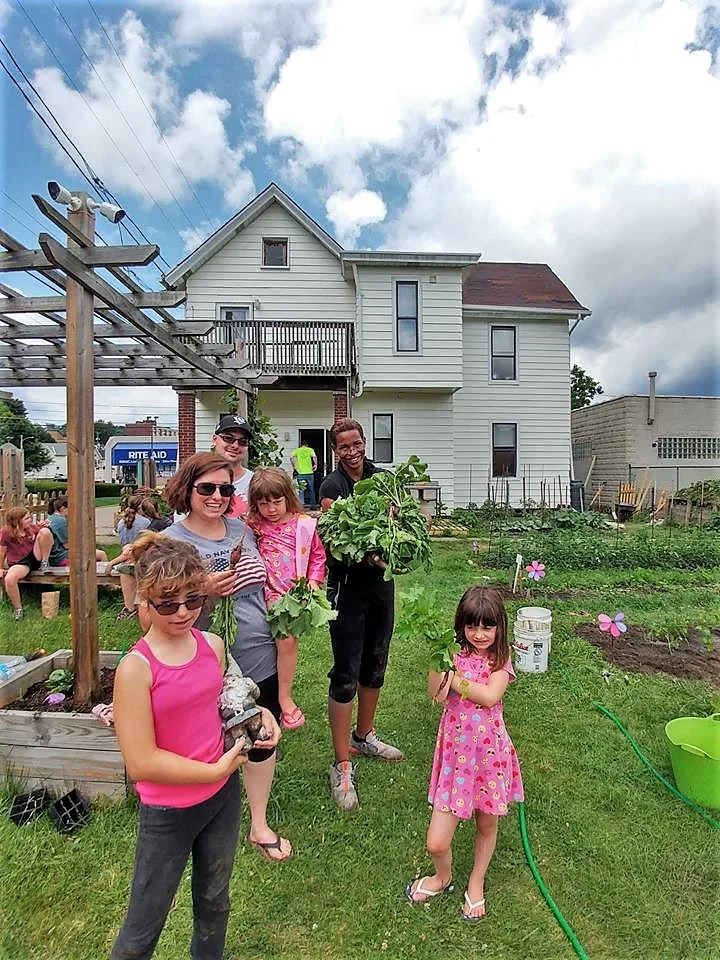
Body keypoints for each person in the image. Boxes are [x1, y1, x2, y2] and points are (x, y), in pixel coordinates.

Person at [110, 532, 281, 959]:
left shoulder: (212, 646)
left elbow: (227, 703)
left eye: (194, 599)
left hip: (221, 800)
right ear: (145, 600)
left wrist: (262, 716)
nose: (184, 612)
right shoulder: (135, 669)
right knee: (143, 926)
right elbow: (141, 761)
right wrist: (214, 770)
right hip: (168, 811)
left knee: (215, 902)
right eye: (168, 604)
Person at [163, 452, 292, 862]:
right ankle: (204, 815)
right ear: (188, 489)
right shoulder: (171, 541)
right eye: (207, 488)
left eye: (225, 488)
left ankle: (258, 823)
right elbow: (152, 613)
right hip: (204, 660)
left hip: (258, 649)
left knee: (261, 735)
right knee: (209, 739)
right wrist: (202, 590)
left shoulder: (242, 529)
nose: (217, 496)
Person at [405, 586, 524, 922]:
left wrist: (455, 679)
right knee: (436, 843)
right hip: (456, 759)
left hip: (489, 757)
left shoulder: (500, 660)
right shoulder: (451, 653)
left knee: (487, 824)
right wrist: (438, 661)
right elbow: (436, 694)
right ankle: (442, 877)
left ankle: (476, 881)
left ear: (499, 627)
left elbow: (489, 696)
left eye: (487, 627)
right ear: (461, 625)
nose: (479, 634)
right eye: (472, 626)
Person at [318, 418, 402, 813]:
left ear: (364, 442)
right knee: (346, 673)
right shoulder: (331, 487)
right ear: (335, 450)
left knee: (376, 663)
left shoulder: (382, 479)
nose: (351, 452)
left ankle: (364, 735)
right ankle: (341, 764)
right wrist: (367, 552)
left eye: (356, 444)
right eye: (343, 447)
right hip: (348, 589)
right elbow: (337, 535)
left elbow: (398, 518)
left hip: (381, 586)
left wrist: (399, 526)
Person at [247, 467, 326, 731]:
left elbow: (317, 556)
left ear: (288, 497)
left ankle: (284, 697)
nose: (271, 509)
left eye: (277, 501)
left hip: (290, 597)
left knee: (287, 642)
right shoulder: (254, 525)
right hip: (262, 593)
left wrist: (313, 583)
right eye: (263, 503)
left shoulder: (303, 524)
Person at [112, 496, 172, 622]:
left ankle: (130, 608)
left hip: (137, 559)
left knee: (127, 570)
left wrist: (112, 563)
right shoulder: (156, 523)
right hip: (147, 558)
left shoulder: (123, 522)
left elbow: (130, 549)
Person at [0, 506, 53, 621]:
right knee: (9, 579)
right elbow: (2, 551)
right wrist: (0, 568)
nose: (30, 520)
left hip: (35, 556)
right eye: (27, 518)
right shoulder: (6, 532)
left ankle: (45, 563)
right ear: (17, 521)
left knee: (45, 531)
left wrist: (44, 527)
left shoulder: (32, 528)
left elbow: (46, 539)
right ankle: (18, 610)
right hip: (20, 562)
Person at [47, 496, 107, 567]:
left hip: (53, 555)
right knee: (101, 554)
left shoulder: (51, 518)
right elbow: (67, 545)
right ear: (63, 508)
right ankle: (105, 572)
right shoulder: (61, 521)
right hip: (60, 556)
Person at [211, 414, 254, 517]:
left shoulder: (256, 483)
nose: (235, 445)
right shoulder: (199, 479)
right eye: (228, 438)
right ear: (214, 440)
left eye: (243, 441)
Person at [291, 441, 318, 510]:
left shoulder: (297, 450)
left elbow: (291, 457)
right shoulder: (310, 450)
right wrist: (315, 465)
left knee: (301, 490)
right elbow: (314, 457)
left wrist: (294, 467)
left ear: (301, 445)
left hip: (301, 473)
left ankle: (301, 506)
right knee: (311, 489)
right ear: (307, 444)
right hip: (309, 473)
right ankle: (313, 506)